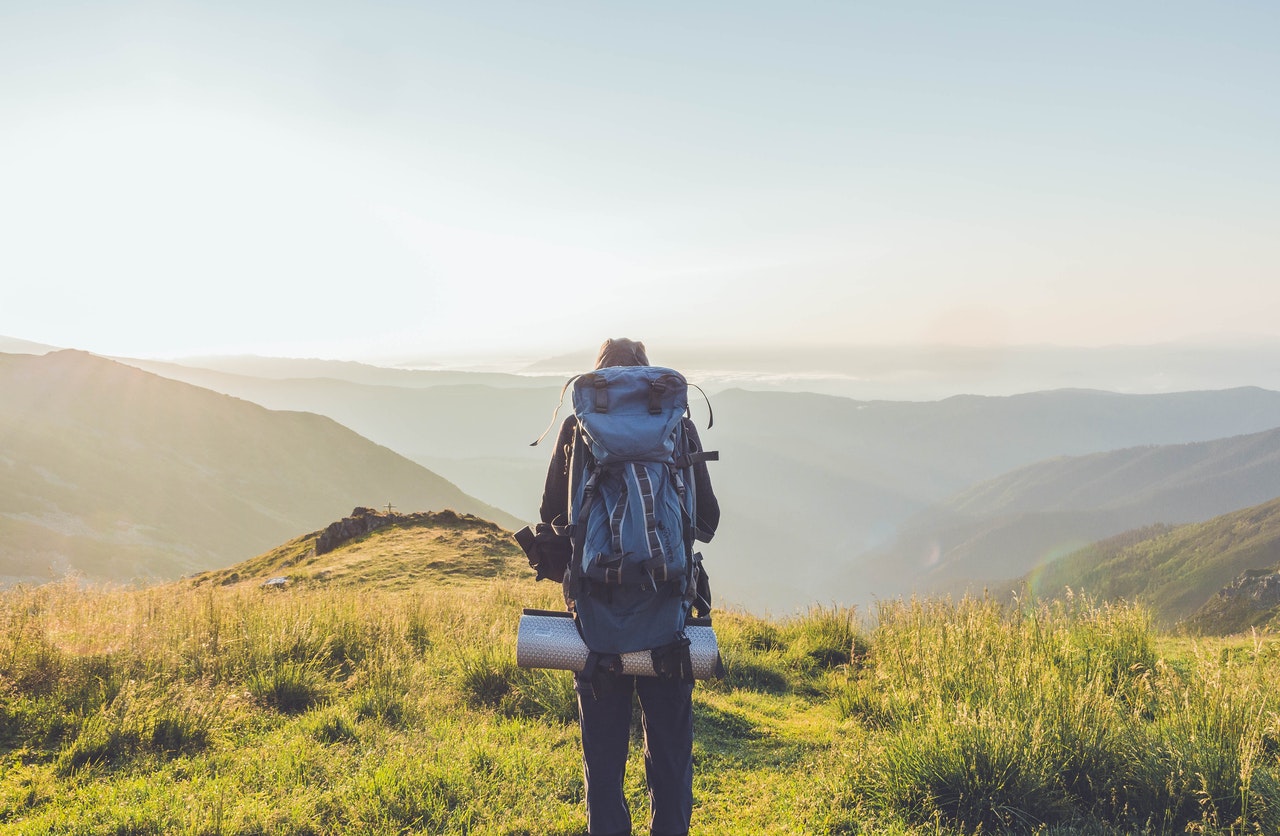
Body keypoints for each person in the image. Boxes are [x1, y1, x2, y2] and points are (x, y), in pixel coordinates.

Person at [539, 337, 720, 836]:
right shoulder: (675, 426)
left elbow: (552, 517)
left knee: (603, 763)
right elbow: (707, 520)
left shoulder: (579, 427)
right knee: (670, 760)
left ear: (599, 382)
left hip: (597, 622)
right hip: (667, 618)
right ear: (646, 379)